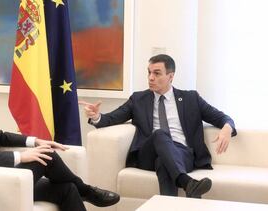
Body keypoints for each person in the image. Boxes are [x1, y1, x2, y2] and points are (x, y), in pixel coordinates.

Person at [0, 64, 120, 211]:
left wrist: (34, 141)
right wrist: (21, 156)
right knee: (46, 156)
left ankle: (83, 190)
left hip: (5, 176)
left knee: (67, 189)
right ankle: (88, 191)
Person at [80, 54, 237, 198]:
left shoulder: (191, 98)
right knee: (160, 134)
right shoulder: (138, 99)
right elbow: (111, 118)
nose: (150, 78)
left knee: (163, 163)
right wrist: (96, 117)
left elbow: (223, 118)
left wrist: (227, 128)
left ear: (171, 76)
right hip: (148, 153)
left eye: (156, 73)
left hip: (182, 154)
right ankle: (185, 181)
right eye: (149, 72)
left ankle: (183, 191)